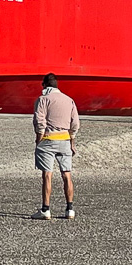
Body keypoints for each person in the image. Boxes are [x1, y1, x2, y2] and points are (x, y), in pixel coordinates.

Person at [32, 74, 79, 220]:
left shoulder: (43, 99)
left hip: (48, 139)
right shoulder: (69, 100)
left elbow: (39, 121)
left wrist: (38, 139)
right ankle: (69, 209)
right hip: (65, 139)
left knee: (47, 174)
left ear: (45, 85)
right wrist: (72, 140)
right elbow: (75, 123)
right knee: (67, 174)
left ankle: (46, 209)